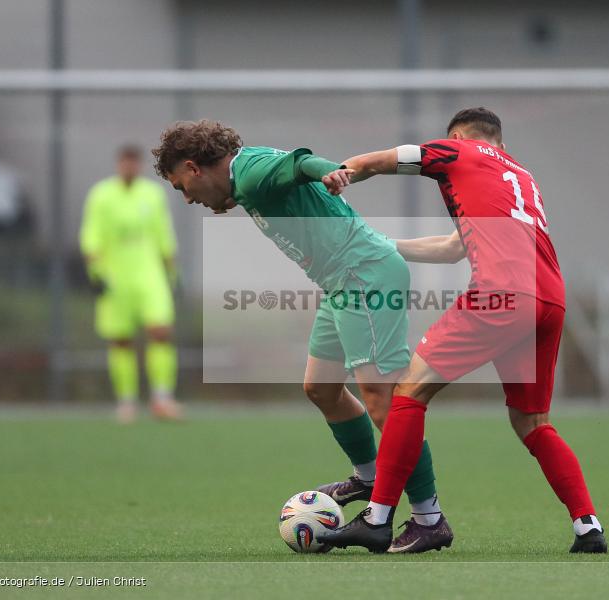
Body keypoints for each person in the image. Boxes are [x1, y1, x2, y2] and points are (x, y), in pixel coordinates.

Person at [318, 107, 606, 554]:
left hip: (502, 294)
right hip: (549, 299)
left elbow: (387, 159)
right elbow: (455, 248)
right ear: (501, 143)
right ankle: (588, 526)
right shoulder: (522, 177)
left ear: (457, 136)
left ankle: (378, 520)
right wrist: (384, 247)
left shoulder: (457, 150)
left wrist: (344, 171)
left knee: (408, 393)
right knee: (532, 422)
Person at [150, 120, 449, 552]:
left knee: (382, 399)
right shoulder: (245, 179)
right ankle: (368, 477)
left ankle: (429, 517)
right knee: (321, 388)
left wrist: (333, 172)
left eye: (181, 186)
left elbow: (302, 163)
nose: (188, 198)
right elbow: (278, 177)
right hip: (339, 283)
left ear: (194, 167)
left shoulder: (250, 171)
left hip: (363, 275)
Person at [80, 145, 182, 423]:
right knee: (120, 340)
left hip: (150, 276)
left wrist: (173, 274)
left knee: (160, 331)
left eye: (134, 163)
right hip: (115, 278)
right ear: (118, 164)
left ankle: (162, 398)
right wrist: (95, 273)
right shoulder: (101, 195)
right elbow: (92, 235)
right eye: (125, 162)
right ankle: (126, 402)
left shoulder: (153, 194)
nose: (130, 168)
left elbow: (164, 234)